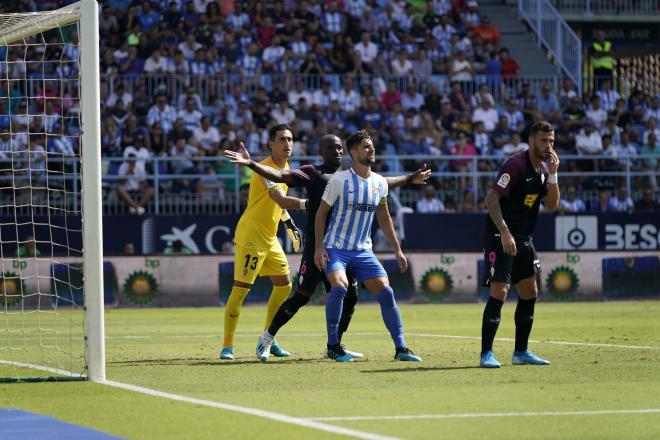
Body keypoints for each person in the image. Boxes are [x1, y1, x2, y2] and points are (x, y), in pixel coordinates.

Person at [224, 135, 430, 361]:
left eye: (340, 147)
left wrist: (410, 177)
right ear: (322, 151)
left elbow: (382, 182)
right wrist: (253, 164)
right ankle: (267, 338)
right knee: (301, 296)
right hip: (318, 246)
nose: (337, 151)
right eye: (331, 147)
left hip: (347, 249)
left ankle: (336, 345)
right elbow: (283, 176)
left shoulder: (354, 177)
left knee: (350, 295)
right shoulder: (314, 172)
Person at [313, 130, 422, 362]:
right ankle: (333, 345)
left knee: (385, 289)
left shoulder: (379, 182)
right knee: (340, 287)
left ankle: (401, 348)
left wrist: (397, 249)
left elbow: (384, 217)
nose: (371, 149)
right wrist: (319, 247)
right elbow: (321, 214)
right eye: (366, 146)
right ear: (353, 152)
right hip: (336, 248)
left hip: (363, 250)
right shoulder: (339, 180)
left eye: (372, 146)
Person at [220, 125, 308, 361]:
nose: (287, 144)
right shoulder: (264, 168)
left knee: (284, 285)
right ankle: (227, 345)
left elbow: (278, 207)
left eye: (290, 139)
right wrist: (311, 203)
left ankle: (269, 337)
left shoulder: (287, 168)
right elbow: (280, 198)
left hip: (270, 237)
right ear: (271, 143)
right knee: (240, 290)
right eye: (282, 139)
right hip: (251, 236)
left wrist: (289, 225)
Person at [480, 121, 560, 368]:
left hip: (524, 239)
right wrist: (504, 232)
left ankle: (521, 352)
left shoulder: (545, 170)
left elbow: (553, 204)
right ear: (531, 141)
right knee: (500, 292)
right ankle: (486, 355)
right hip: (500, 236)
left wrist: (555, 174)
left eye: (552, 141)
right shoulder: (515, 165)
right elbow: (491, 198)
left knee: (530, 292)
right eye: (544, 140)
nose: (549, 145)